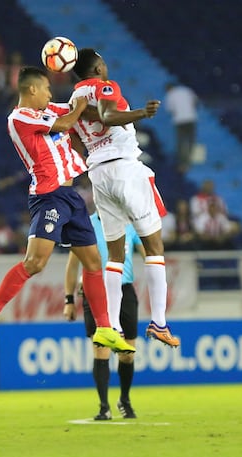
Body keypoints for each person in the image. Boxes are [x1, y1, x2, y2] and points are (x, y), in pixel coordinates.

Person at [0, 66, 134, 355]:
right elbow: (65, 122)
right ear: (32, 89)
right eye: (47, 88)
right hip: (49, 197)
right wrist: (80, 107)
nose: (50, 93)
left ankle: (104, 329)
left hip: (71, 198)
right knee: (35, 263)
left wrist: (100, 99)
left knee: (94, 263)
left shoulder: (48, 109)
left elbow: (74, 109)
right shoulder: (19, 117)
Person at [69, 48, 179, 347]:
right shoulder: (107, 86)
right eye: (103, 64)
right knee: (154, 248)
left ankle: (112, 327)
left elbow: (75, 141)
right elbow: (107, 114)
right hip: (125, 169)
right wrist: (141, 113)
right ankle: (159, 322)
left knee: (115, 257)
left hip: (98, 176)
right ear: (98, 67)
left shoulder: (72, 103)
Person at [64, 211, 145, 420]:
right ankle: (104, 407)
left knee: (127, 353)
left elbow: (148, 252)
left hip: (124, 289)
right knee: (101, 351)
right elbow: (73, 266)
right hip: (95, 291)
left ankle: (124, 399)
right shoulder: (85, 224)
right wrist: (69, 300)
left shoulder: (129, 222)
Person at [165, 82, 198, 173]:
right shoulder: (186, 90)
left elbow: (170, 110)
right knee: (191, 141)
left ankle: (183, 164)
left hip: (179, 121)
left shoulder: (170, 95)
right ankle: (190, 161)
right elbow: (195, 101)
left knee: (181, 142)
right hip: (191, 118)